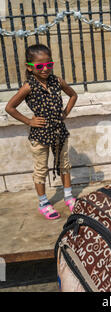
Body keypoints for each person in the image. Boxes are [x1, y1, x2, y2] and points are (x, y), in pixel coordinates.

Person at [5, 44, 78, 220]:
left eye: (48, 64)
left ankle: (68, 196)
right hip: (40, 135)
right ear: (30, 67)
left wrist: (65, 112)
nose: (45, 69)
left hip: (60, 131)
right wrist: (29, 121)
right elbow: (10, 107)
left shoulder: (57, 81)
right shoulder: (28, 86)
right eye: (39, 66)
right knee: (41, 169)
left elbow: (73, 95)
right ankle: (43, 202)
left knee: (64, 164)